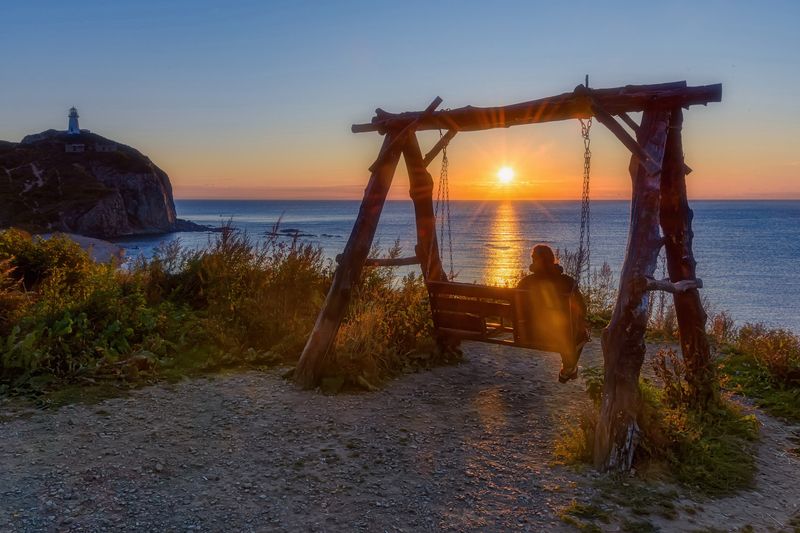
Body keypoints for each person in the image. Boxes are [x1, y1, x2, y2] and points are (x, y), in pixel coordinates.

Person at [517, 244, 589, 383]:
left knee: (564, 328)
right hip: (558, 335)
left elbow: (514, 309)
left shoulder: (525, 283)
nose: (531, 260)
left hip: (529, 333)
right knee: (577, 332)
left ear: (535, 260)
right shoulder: (567, 282)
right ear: (552, 259)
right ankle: (569, 367)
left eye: (532, 258)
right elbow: (582, 309)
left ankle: (569, 368)